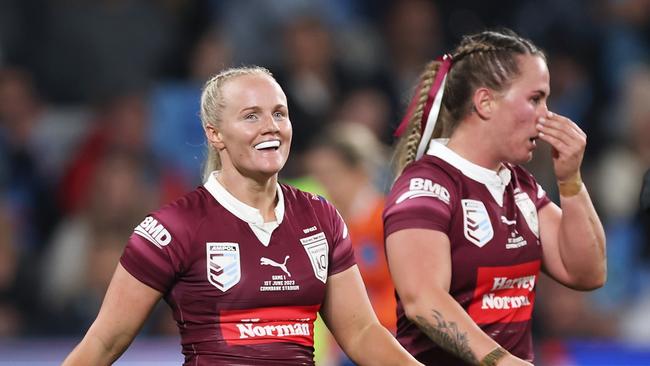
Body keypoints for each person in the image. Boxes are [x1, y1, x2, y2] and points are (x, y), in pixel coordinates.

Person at [63, 66, 422, 365]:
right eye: (252, 116)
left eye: (279, 113)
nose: (271, 126)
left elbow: (361, 333)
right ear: (215, 134)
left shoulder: (321, 218)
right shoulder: (173, 228)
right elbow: (103, 343)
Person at [383, 29, 606, 365]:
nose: (545, 115)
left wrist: (571, 181)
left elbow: (587, 272)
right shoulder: (427, 186)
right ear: (485, 102)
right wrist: (501, 361)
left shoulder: (520, 186)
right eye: (535, 99)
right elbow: (423, 300)